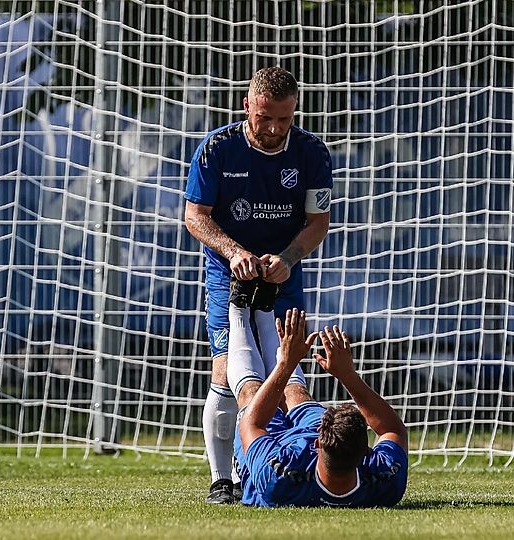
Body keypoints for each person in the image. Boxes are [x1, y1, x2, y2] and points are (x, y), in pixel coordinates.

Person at [184, 66, 333, 504]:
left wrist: (287, 258)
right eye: (265, 117)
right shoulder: (217, 149)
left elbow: (318, 222)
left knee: (289, 371)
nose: (273, 128)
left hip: (283, 274)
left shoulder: (312, 153)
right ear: (247, 105)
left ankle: (296, 464)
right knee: (226, 370)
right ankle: (222, 480)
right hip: (227, 273)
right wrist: (234, 252)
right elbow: (195, 216)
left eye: (284, 119)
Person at [226, 289, 408, 508]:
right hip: (325, 438)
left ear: (317, 443)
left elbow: (252, 424)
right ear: (366, 452)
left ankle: (238, 307)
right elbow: (393, 430)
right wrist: (348, 375)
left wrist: (286, 364)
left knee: (250, 392)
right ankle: (265, 306)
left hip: (278, 446)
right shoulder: (384, 482)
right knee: (297, 393)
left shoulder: (278, 478)